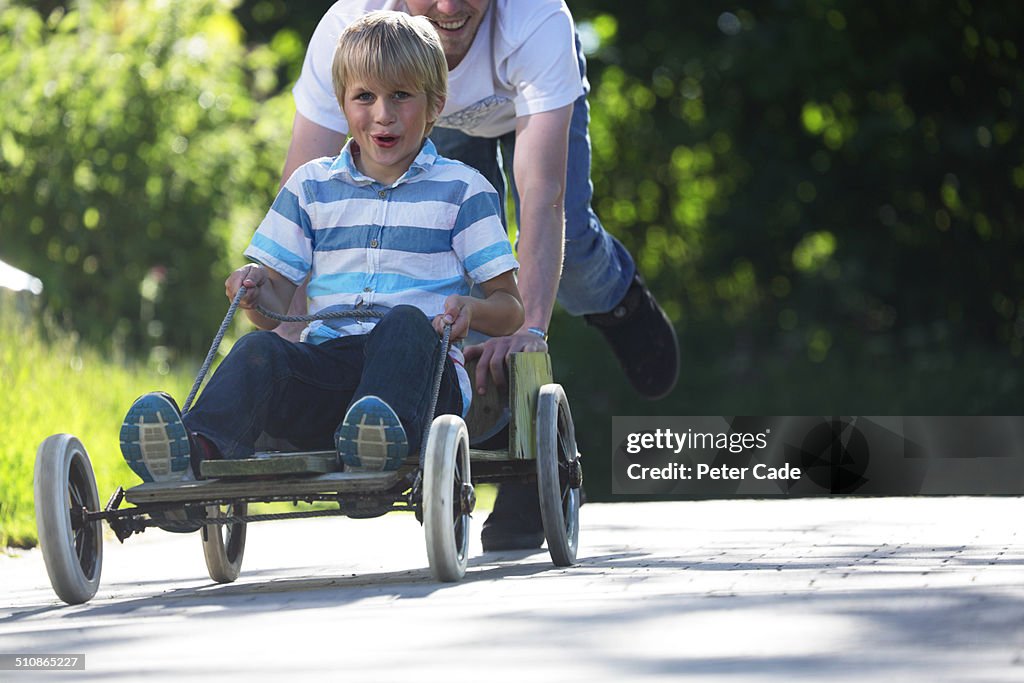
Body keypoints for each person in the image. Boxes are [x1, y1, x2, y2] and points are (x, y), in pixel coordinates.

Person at [281, 0, 680, 550]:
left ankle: (619, 303)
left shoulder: (535, 21)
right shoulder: (353, 26)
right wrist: (290, 341)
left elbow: (543, 197)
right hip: (423, 109)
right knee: (450, 266)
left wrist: (528, 335)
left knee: (575, 251)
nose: (447, 7)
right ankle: (507, 448)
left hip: (524, 105)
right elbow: (302, 201)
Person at [118, 12, 523, 527]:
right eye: (365, 97)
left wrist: (472, 309)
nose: (383, 115)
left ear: (435, 104)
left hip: (421, 377)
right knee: (261, 351)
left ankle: (378, 445)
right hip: (330, 378)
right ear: (342, 103)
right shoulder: (311, 188)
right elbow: (271, 312)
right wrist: (254, 289)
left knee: (403, 322)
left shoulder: (463, 191)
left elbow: (511, 310)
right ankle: (192, 456)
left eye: (402, 96)